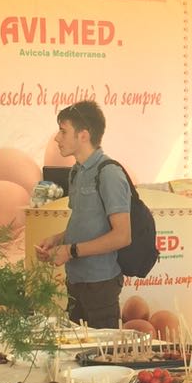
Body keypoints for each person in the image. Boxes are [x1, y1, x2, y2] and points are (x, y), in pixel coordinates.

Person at [35, 101, 133, 329]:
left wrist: (70, 251)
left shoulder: (109, 173)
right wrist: (57, 239)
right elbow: (85, 221)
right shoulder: (76, 172)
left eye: (63, 131)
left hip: (100, 284)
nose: (57, 138)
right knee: (76, 347)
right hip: (76, 280)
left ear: (83, 135)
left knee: (101, 348)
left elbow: (122, 236)